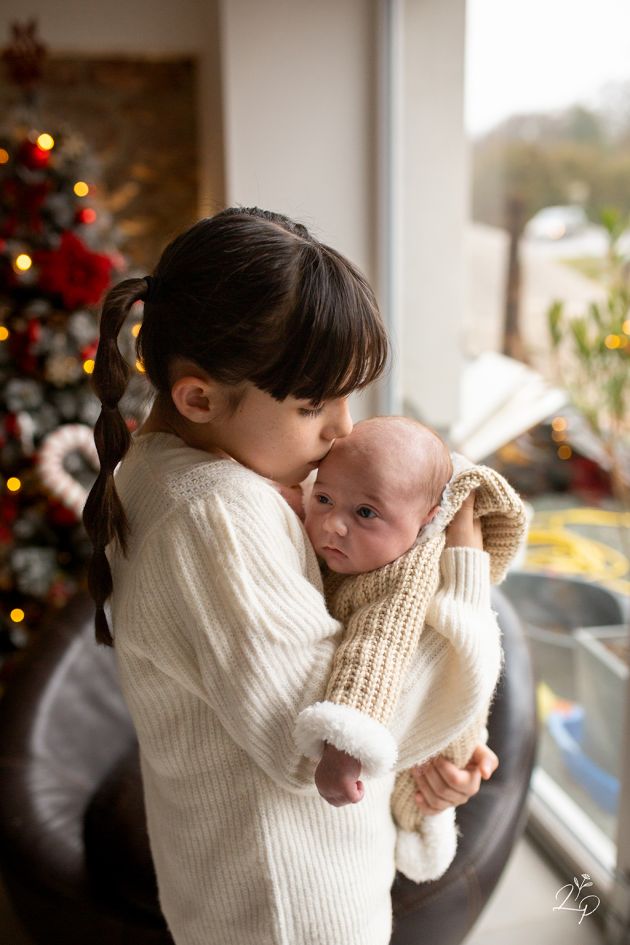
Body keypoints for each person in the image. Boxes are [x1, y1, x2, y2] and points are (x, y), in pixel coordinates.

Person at [83, 207, 499, 945]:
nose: (342, 428)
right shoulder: (216, 515)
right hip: (291, 911)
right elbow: (322, 737)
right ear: (198, 397)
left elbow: (349, 686)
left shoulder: (169, 472)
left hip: (245, 893)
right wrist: (459, 559)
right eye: (314, 405)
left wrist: (437, 748)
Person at [293, 415, 525, 882]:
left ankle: (425, 832)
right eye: (323, 498)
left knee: (429, 786)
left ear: (426, 520)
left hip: (430, 736)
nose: (333, 525)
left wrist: (344, 744)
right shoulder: (350, 540)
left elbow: (376, 649)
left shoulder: (404, 574)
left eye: (365, 513)